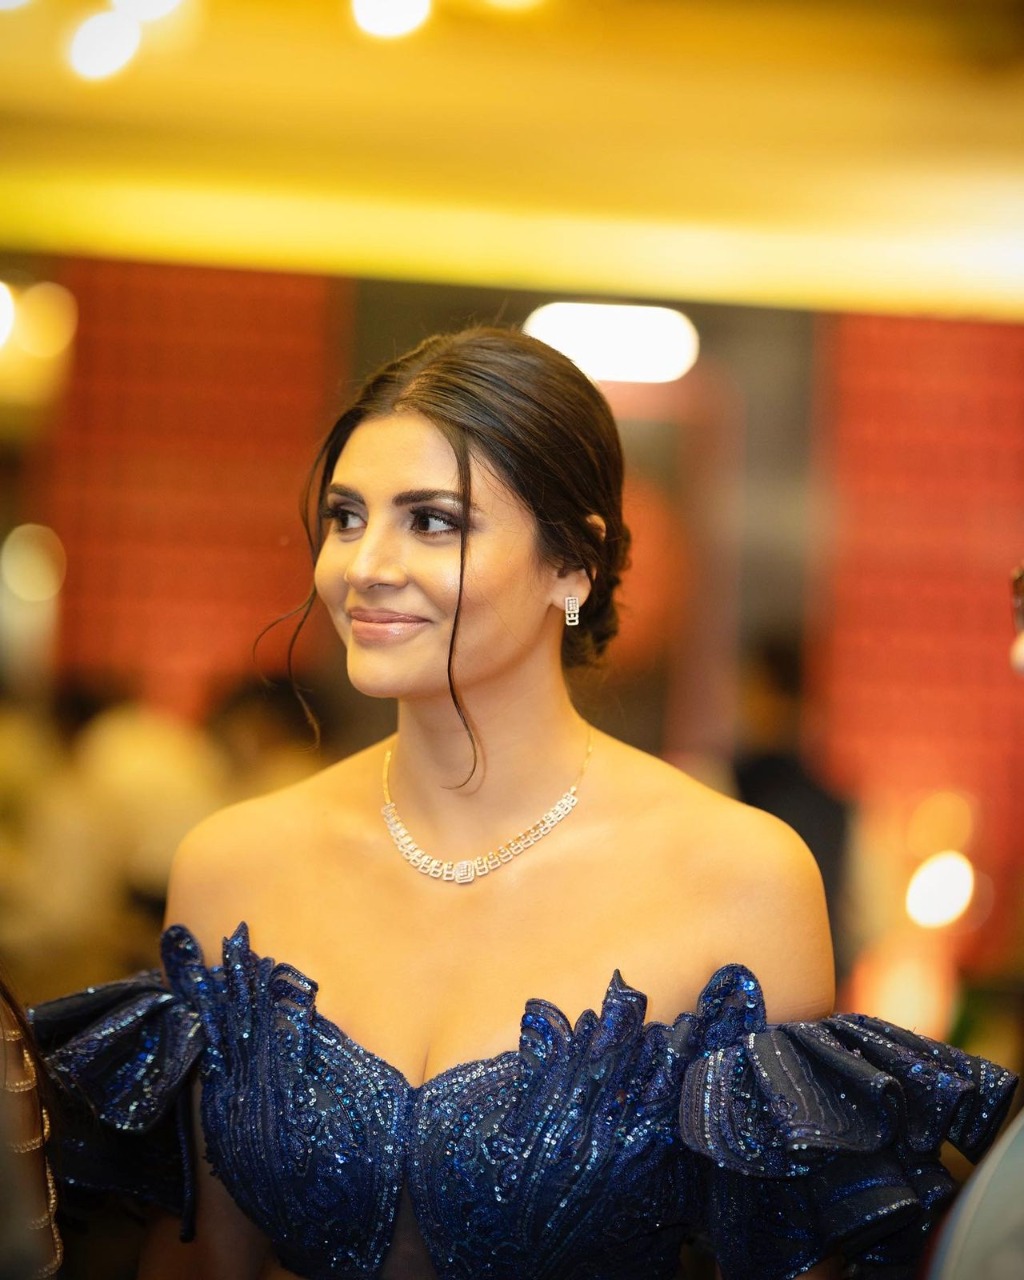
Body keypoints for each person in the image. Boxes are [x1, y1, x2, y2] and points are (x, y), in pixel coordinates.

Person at [31, 329, 1017, 1279]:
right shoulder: (234, 862)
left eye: (432, 520)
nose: (364, 565)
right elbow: (204, 1250)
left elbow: (783, 1262)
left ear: (573, 562)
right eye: (345, 516)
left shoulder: (740, 877)